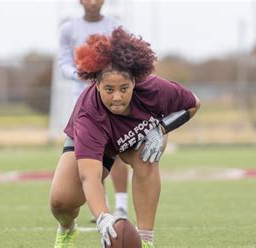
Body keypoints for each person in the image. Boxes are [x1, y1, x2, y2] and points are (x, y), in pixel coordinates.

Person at [50, 27, 200, 248]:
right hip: (101, 144)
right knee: (62, 201)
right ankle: (66, 229)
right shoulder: (87, 115)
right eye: (109, 89)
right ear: (96, 84)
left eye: (124, 88)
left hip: (135, 139)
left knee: (148, 156)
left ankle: (147, 241)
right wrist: (103, 216)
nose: (117, 97)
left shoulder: (154, 88)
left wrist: (161, 129)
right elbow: (89, 177)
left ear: (135, 83)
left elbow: (193, 103)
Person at [57, 0, 129, 220]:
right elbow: (63, 63)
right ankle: (102, 205)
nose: (93, 2)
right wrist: (81, 73)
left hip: (112, 99)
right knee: (91, 154)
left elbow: (126, 61)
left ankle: (122, 206)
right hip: (83, 101)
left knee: (116, 151)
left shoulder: (116, 27)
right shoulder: (68, 28)